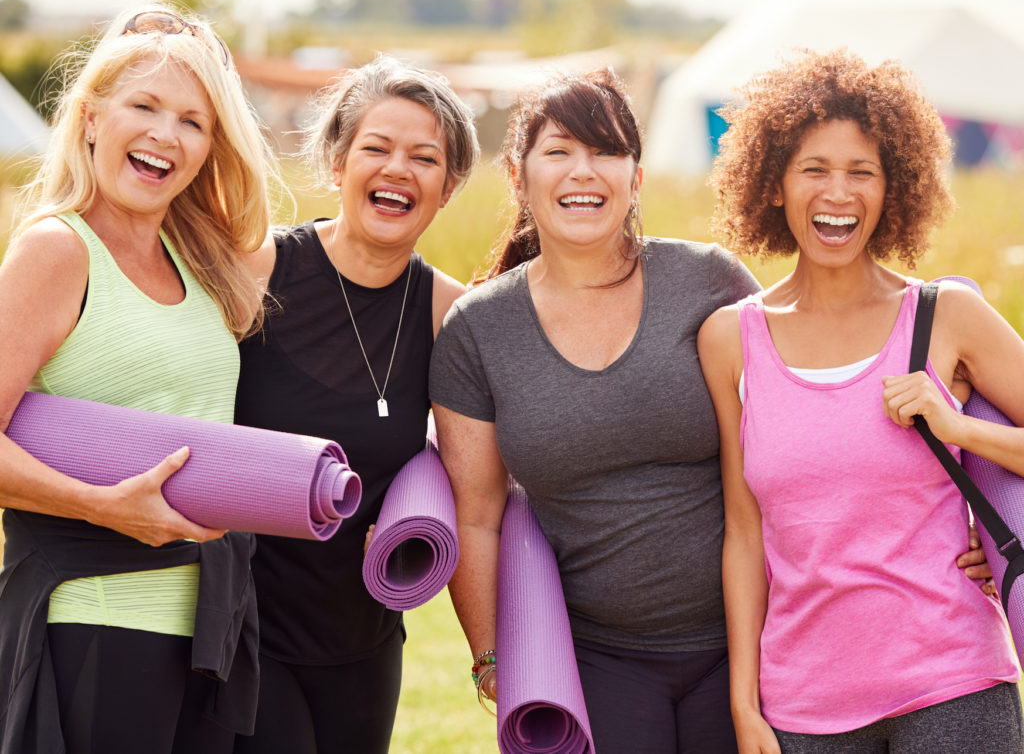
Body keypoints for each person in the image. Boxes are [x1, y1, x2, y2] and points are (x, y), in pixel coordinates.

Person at [698, 49, 1024, 754]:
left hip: (952, 685)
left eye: (861, 172)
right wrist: (745, 703)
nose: (837, 193)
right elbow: (743, 530)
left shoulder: (946, 318)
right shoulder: (731, 340)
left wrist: (959, 425)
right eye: (813, 169)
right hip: (802, 704)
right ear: (775, 186)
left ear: (893, 188)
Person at [428, 68, 762, 753]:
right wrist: (493, 656)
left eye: (606, 150)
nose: (584, 170)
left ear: (636, 177)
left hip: (751, 637)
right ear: (519, 179)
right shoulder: (478, 330)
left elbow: (803, 428)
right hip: (594, 655)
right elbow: (477, 515)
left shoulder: (709, 281)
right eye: (558, 151)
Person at [0, 5, 277, 754]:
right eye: (144, 106)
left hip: (209, 624)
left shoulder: (205, 262)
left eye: (193, 121)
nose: (166, 135)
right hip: (96, 616)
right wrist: (101, 506)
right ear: (90, 118)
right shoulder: (57, 251)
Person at [231, 55, 479, 754]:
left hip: (365, 635)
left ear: (448, 187)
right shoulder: (255, 272)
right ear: (339, 163)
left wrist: (419, 517)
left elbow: (477, 473)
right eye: (377, 147)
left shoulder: (450, 314)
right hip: (246, 627)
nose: (398, 168)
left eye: (424, 158)